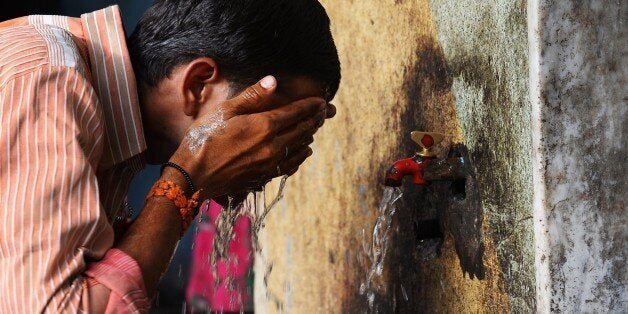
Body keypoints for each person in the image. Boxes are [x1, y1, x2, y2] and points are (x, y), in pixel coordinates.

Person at [0, 0, 340, 312]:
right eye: (275, 126)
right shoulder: (50, 83)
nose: (272, 155)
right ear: (198, 84)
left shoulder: (82, 108)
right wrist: (188, 175)